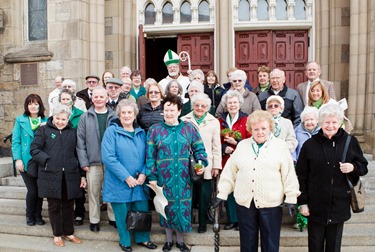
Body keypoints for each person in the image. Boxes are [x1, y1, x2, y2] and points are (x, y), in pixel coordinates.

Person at [214, 110, 300, 252]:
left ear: (270, 128)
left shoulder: (280, 146)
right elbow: (230, 172)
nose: (260, 132)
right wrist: (222, 193)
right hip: (245, 204)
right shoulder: (242, 146)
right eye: (256, 129)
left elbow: (289, 174)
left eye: (264, 128)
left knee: (270, 244)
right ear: (250, 130)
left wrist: (291, 197)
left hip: (271, 204)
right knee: (247, 245)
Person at [296, 103, 368, 252]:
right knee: (315, 246)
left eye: (334, 122)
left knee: (334, 247)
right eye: (326, 122)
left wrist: (353, 167)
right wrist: (303, 202)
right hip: (315, 205)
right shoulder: (309, 145)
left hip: (339, 204)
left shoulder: (350, 142)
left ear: (340, 123)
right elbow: (301, 176)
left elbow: (363, 167)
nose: (330, 125)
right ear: (320, 123)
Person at [146, 94, 208, 252]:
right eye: (166, 109)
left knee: (182, 208)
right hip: (163, 178)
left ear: (179, 111)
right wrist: (152, 176)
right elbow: (150, 155)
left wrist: (200, 164)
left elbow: (199, 149)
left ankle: (180, 241)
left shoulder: (189, 128)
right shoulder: (155, 130)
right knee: (166, 208)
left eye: (172, 110)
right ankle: (168, 241)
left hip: (183, 178)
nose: (169, 113)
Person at [101, 99, 157, 252]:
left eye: (129, 112)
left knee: (142, 210)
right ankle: (125, 241)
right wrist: (126, 177)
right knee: (122, 213)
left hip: (139, 181)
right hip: (119, 182)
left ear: (135, 114)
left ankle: (143, 239)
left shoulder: (141, 133)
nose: (126, 115)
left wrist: (144, 174)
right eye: (123, 113)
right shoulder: (111, 131)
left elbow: (149, 156)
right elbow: (108, 157)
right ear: (119, 115)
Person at [30, 105, 86, 247]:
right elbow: (34, 149)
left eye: (64, 119)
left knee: (68, 204)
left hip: (70, 174)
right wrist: (48, 160)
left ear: (68, 119)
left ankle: (68, 233)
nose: (60, 121)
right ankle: (57, 234)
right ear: (53, 117)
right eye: (58, 118)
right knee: (54, 206)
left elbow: (78, 154)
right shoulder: (43, 130)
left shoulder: (73, 132)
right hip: (50, 174)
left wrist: (82, 175)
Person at [76, 86, 117, 232]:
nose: (98, 99)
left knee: (111, 190)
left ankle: (113, 218)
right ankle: (94, 220)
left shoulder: (115, 116)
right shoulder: (85, 117)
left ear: (107, 99)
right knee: (93, 192)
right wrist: (84, 162)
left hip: (112, 161)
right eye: (96, 97)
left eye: (101, 97)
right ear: (92, 98)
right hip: (92, 162)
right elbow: (80, 142)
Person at [181, 93, 222, 233]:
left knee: (204, 195)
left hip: (206, 163)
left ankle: (203, 223)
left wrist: (217, 165)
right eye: (197, 105)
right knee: (189, 194)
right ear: (192, 106)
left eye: (203, 106)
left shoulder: (213, 121)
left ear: (207, 108)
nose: (199, 108)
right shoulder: (183, 120)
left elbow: (217, 145)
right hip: (188, 163)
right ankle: (187, 222)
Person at [12, 94, 48, 226]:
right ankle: (29, 215)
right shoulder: (20, 120)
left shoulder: (46, 120)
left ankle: (38, 215)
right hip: (26, 161)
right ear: (27, 106)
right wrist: (18, 159)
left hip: (41, 161)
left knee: (40, 190)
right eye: (30, 103)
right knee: (32, 190)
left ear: (40, 105)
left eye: (36, 103)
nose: (33, 106)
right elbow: (16, 141)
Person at [217, 90, 251, 230]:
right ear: (226, 104)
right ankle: (232, 220)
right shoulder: (220, 120)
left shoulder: (246, 119)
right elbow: (215, 141)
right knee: (229, 190)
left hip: (242, 159)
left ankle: (242, 220)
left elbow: (251, 140)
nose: (232, 105)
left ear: (239, 104)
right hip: (226, 160)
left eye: (235, 102)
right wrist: (224, 147)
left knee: (242, 190)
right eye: (230, 103)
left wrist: (237, 142)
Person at [58, 89, 86, 225]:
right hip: (63, 154)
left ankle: (79, 212)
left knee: (79, 185)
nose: (65, 102)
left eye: (67, 99)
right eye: (63, 99)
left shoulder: (81, 115)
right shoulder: (56, 115)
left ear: (73, 100)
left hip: (78, 152)